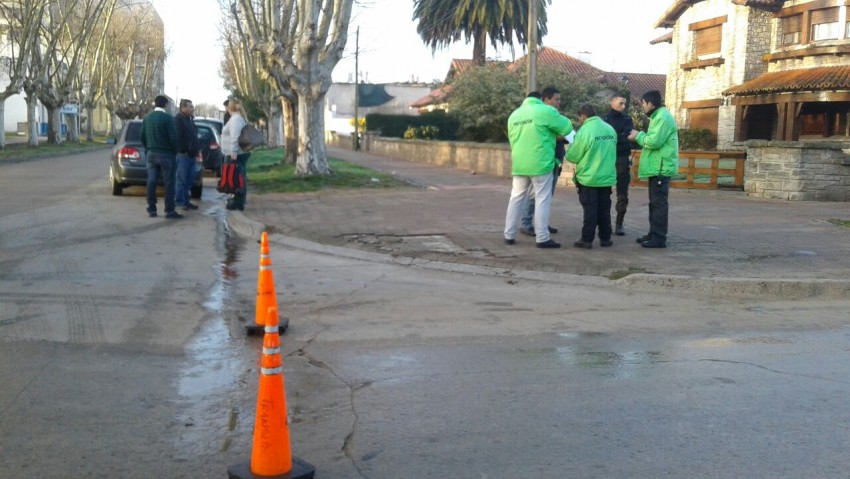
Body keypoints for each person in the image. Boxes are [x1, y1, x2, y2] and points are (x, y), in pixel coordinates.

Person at [503, 91, 573, 248]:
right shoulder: (546, 111)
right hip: (541, 163)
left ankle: (509, 234)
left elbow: (512, 139)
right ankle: (542, 237)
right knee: (542, 199)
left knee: (516, 198)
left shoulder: (514, 115)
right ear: (542, 99)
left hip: (520, 163)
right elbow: (567, 127)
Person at [628, 90, 679, 248]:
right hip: (657, 167)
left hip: (661, 168)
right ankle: (653, 233)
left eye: (643, 103)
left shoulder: (662, 117)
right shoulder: (658, 116)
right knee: (654, 203)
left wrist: (638, 135)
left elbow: (654, 142)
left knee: (659, 204)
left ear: (650, 103)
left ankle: (659, 238)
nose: (643, 107)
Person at [565, 104, 617, 249]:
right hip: (606, 177)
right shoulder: (609, 129)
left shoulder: (584, 131)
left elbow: (573, 156)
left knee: (590, 210)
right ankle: (606, 238)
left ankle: (587, 239)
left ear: (583, 116)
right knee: (604, 210)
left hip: (589, 178)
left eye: (579, 118)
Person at [520, 86, 566, 237]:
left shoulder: (554, 114)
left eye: (560, 99)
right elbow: (551, 135)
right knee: (535, 195)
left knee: (546, 197)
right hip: (542, 161)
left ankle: (542, 223)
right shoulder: (541, 114)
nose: (559, 102)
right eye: (556, 99)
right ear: (546, 100)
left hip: (555, 160)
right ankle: (526, 223)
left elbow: (562, 133)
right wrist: (560, 136)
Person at [140, 95, 181, 219]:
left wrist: (148, 148)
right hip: (167, 154)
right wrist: (175, 150)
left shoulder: (147, 118)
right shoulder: (168, 118)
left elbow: (142, 136)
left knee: (151, 181)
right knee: (169, 183)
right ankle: (169, 210)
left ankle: (151, 208)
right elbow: (173, 137)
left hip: (151, 154)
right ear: (165, 105)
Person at [602, 94, 635, 236]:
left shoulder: (627, 119)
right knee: (604, 190)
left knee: (622, 191)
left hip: (621, 156)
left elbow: (627, 135)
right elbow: (606, 138)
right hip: (607, 157)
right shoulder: (604, 119)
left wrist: (617, 137)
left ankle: (619, 222)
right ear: (612, 103)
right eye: (621, 103)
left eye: (625, 104)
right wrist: (619, 136)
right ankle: (605, 223)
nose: (624, 106)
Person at [221, 98, 249, 211]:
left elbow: (235, 137)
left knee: (237, 177)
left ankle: (239, 201)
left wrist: (233, 152)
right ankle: (238, 199)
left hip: (235, 154)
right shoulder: (238, 118)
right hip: (239, 153)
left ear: (229, 108)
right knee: (238, 176)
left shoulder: (235, 119)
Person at [174, 99, 200, 211]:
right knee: (181, 179)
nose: (192, 109)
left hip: (192, 155)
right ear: (183, 108)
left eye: (192, 107)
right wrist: (184, 149)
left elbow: (193, 136)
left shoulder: (189, 120)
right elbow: (178, 138)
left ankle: (186, 199)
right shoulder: (178, 120)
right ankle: (179, 201)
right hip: (183, 155)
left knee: (189, 179)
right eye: (190, 107)